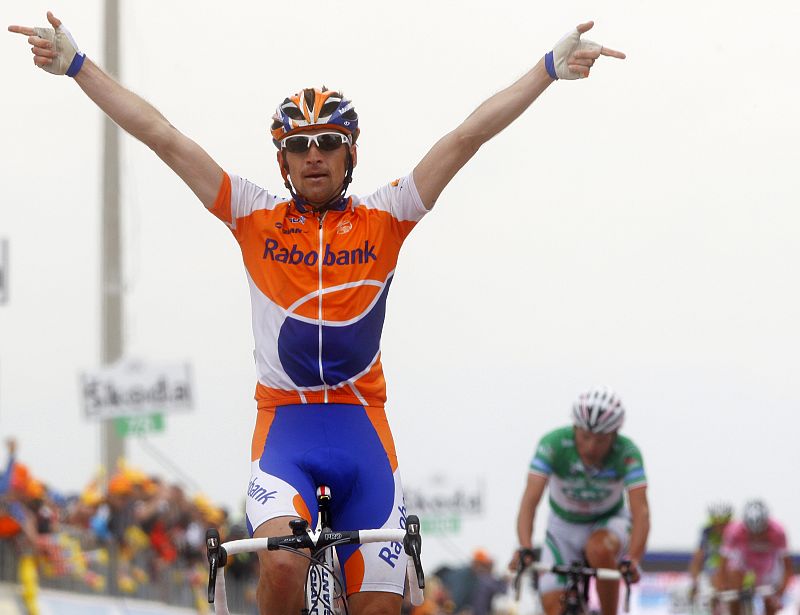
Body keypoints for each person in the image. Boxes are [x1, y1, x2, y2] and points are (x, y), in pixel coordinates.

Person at [9, 12, 625, 615]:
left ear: (349, 153)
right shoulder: (252, 214)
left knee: (379, 607)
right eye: (298, 146)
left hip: (363, 428)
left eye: (328, 143)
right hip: (286, 427)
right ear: (282, 161)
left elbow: (467, 136)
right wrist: (78, 65)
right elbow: (163, 136)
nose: (313, 155)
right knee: (282, 563)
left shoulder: (388, 215)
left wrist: (547, 70)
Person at [514, 386, 649, 615]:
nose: (591, 447)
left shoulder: (627, 453)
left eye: (601, 440)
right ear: (575, 428)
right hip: (563, 528)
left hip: (608, 522)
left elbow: (641, 512)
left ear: (614, 435)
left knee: (598, 549)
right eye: (585, 436)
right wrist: (525, 546)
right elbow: (529, 502)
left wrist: (633, 559)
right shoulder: (553, 444)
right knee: (554, 607)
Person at [719, 500, 793, 615]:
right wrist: (724, 585)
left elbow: (787, 566)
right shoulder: (734, 531)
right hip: (744, 566)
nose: (757, 536)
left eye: (761, 532)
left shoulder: (778, 532)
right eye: (752, 533)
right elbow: (724, 563)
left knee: (770, 603)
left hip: (768, 569)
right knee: (734, 594)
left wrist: (779, 593)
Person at [688, 502, 733, 609]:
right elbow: (698, 557)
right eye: (716, 523)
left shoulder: (735, 531)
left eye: (724, 523)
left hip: (731, 566)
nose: (720, 527)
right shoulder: (707, 532)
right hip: (713, 568)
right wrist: (694, 583)